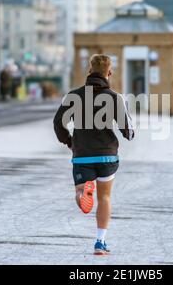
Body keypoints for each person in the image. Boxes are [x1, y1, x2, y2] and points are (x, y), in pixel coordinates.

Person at [53, 54, 134, 256]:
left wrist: (69, 141)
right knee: (105, 197)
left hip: (82, 155)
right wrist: (128, 132)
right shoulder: (115, 97)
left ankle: (83, 192)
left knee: (81, 192)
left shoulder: (74, 96)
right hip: (107, 156)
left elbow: (58, 123)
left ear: (89, 72)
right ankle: (100, 242)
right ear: (109, 73)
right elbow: (129, 131)